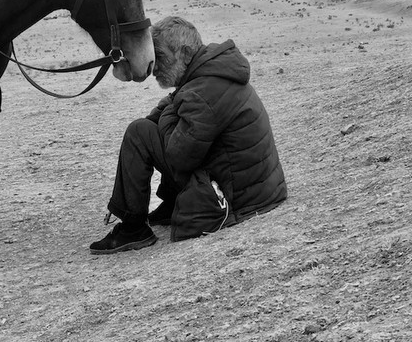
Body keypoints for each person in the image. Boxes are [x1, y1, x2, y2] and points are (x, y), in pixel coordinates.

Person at [90, 16, 287, 254]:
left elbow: (178, 157)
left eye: (160, 57)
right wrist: (169, 112)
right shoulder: (209, 75)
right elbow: (171, 113)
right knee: (153, 129)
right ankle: (171, 203)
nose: (155, 69)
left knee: (138, 132)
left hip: (240, 198)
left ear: (183, 53)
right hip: (256, 189)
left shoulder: (202, 92)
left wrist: (168, 114)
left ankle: (133, 228)